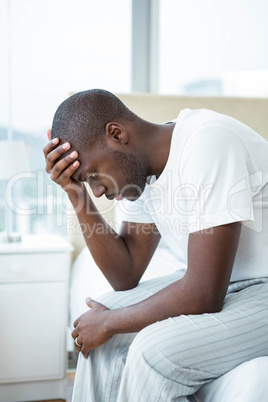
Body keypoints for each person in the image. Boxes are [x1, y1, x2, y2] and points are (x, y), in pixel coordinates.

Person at [43, 89, 268, 401]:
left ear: (117, 134)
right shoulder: (141, 176)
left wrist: (108, 322)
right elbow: (125, 275)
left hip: (261, 288)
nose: (97, 190)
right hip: (231, 286)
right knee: (103, 336)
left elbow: (204, 292)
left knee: (151, 352)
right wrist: (75, 193)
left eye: (93, 175)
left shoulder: (207, 142)